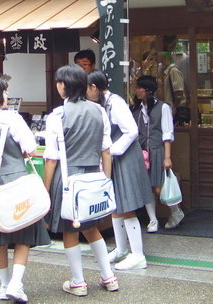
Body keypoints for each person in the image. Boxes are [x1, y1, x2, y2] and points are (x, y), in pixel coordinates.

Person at [0, 76, 50, 302]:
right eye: (4, 92)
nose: (6, 96)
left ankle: (4, 285)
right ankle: (16, 282)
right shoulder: (11, 118)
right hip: (17, 180)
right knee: (24, 233)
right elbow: (31, 149)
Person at [44, 65, 118, 296]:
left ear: (63, 85)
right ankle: (109, 277)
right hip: (94, 177)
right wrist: (106, 182)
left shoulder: (57, 115)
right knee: (90, 227)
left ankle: (78, 281)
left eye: (58, 82)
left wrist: (46, 190)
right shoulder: (99, 111)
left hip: (67, 179)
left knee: (70, 230)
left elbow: (51, 158)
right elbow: (106, 150)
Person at [87, 71, 153, 270]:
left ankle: (138, 255)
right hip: (114, 157)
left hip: (125, 157)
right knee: (115, 206)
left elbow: (131, 131)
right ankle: (122, 249)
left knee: (127, 206)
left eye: (86, 89)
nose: (85, 94)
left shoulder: (115, 103)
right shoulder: (102, 103)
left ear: (94, 87)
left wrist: (111, 151)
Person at [132, 75, 184, 232]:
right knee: (145, 187)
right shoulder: (136, 109)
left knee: (158, 187)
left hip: (157, 151)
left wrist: (167, 157)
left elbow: (167, 134)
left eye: (139, 88)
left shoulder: (163, 107)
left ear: (148, 90)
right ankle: (153, 220)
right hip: (141, 152)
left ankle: (176, 212)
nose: (136, 91)